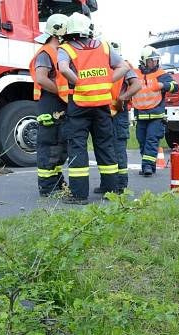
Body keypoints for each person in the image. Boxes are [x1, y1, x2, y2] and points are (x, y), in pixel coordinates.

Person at [57, 12, 130, 204]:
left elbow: (63, 69)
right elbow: (123, 67)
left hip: (79, 105)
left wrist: (78, 82)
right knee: (105, 145)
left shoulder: (66, 48)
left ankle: (79, 195)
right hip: (102, 106)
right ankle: (110, 188)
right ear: (88, 30)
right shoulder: (104, 46)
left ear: (70, 31)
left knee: (78, 147)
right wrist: (106, 82)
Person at [30, 13, 70, 197]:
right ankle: (47, 187)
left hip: (57, 103)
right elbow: (41, 78)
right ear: (60, 32)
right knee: (49, 145)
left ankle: (55, 182)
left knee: (58, 146)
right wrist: (61, 92)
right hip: (50, 104)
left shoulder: (59, 52)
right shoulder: (47, 52)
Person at [93, 42, 141, 193]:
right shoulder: (99, 68)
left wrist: (122, 98)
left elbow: (136, 85)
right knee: (103, 150)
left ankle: (120, 186)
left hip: (118, 114)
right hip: (102, 113)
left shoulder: (124, 66)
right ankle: (107, 184)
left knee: (117, 149)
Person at [132, 46, 178, 177]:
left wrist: (164, 85)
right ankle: (149, 165)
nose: (154, 63)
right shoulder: (135, 74)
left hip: (156, 115)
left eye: (156, 60)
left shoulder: (161, 74)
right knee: (142, 141)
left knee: (151, 141)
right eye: (151, 60)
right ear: (144, 61)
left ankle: (147, 166)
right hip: (140, 115)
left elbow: (175, 86)